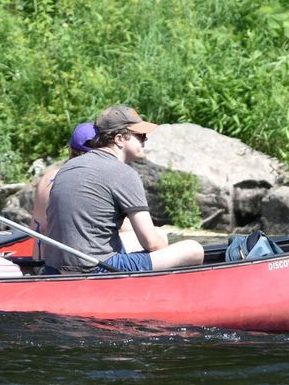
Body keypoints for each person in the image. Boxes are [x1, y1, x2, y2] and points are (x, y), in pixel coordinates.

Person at [39, 105, 204, 274]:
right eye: (140, 135)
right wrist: (167, 257)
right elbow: (152, 244)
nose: (145, 140)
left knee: (160, 233)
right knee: (193, 249)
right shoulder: (123, 173)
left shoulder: (69, 166)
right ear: (119, 139)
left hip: (54, 269)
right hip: (95, 269)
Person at [31, 121, 100, 231]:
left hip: (45, 247)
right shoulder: (101, 181)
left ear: (70, 149)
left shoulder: (48, 178)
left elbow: (37, 228)